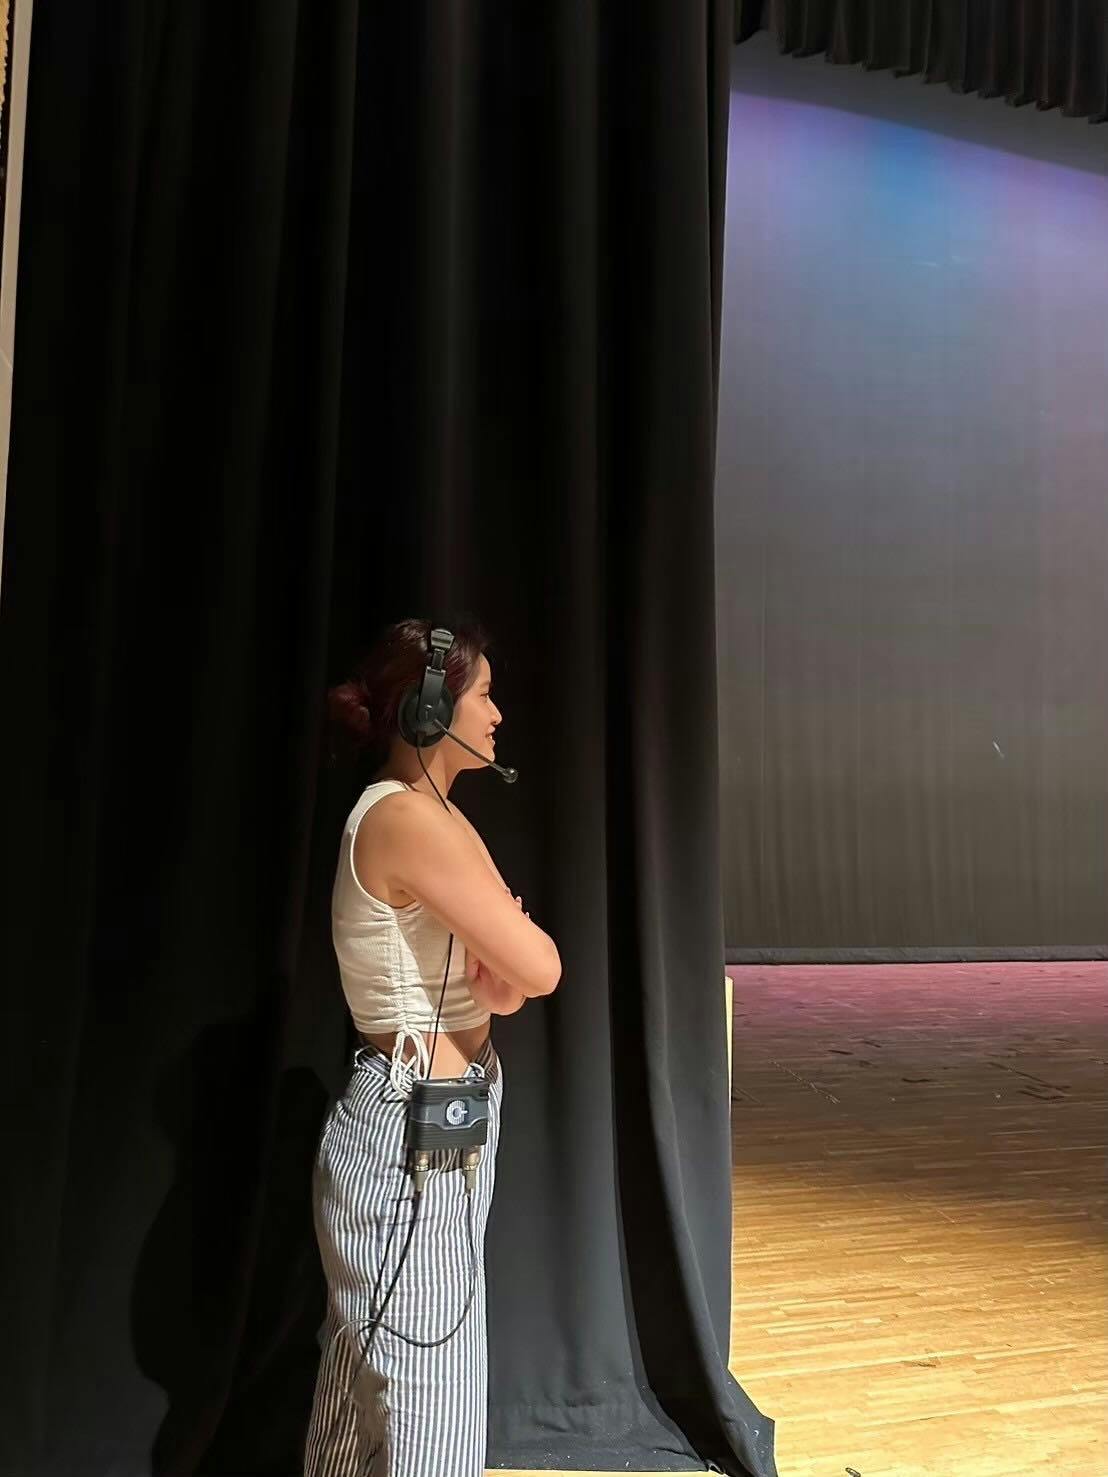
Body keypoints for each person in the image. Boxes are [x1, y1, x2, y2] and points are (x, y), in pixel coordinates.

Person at [303, 617, 561, 1477]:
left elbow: (507, 985)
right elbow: (540, 964)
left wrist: (506, 972)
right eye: (483, 694)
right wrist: (511, 965)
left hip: (439, 1129)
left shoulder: (439, 818)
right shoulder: (407, 821)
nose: (497, 713)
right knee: (429, 1411)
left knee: (364, 1410)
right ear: (430, 710)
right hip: (410, 1138)